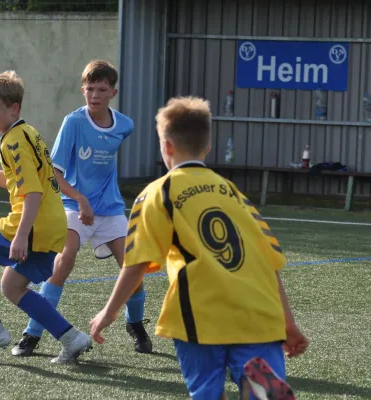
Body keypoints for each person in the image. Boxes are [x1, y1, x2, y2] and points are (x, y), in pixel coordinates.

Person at [89, 96, 309, 399]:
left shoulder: (158, 192)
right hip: (259, 313)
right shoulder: (234, 193)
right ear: (207, 147)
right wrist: (288, 322)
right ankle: (259, 386)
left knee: (206, 390)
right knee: (258, 383)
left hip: (200, 314)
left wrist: (108, 312)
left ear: (166, 146)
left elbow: (137, 263)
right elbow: (269, 260)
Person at [10, 60, 153, 357]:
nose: (95, 95)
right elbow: (54, 173)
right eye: (90, 89)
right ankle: (32, 333)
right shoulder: (73, 122)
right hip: (74, 206)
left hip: (111, 210)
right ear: (82, 90)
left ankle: (135, 324)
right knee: (65, 259)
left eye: (102, 89)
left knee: (133, 268)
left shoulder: (125, 125)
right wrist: (82, 200)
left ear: (113, 92)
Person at [0, 70, 92, 364]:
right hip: (53, 224)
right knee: (12, 287)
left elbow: (33, 193)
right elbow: (20, 181)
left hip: (31, 223)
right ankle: (72, 337)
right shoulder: (28, 132)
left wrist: (22, 234)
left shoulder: (12, 141)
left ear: (14, 108)